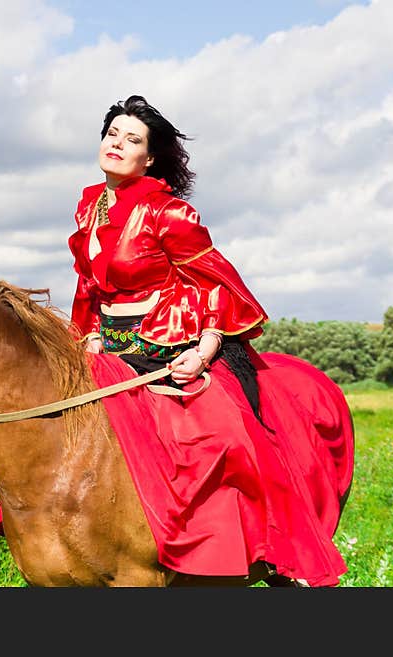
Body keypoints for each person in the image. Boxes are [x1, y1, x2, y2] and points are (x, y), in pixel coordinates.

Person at [67, 95, 352, 586]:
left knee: (226, 433)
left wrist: (203, 350)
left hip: (170, 342)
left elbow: (215, 284)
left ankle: (277, 552)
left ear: (149, 158)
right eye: (112, 133)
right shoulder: (90, 205)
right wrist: (88, 333)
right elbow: (88, 283)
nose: (117, 143)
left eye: (132, 140)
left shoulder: (169, 212)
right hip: (110, 348)